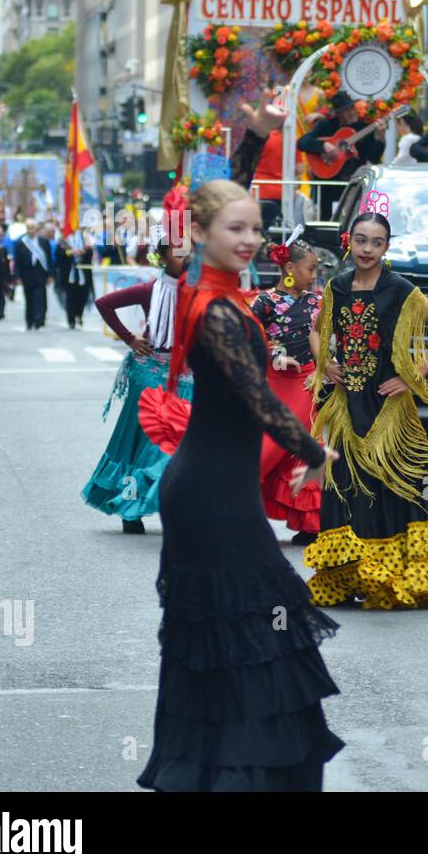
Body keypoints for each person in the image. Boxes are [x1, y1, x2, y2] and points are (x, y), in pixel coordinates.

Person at [136, 179, 343, 792]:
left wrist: (253, 139)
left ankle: (225, 771)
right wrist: (313, 450)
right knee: (256, 624)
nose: (252, 239)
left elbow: (247, 394)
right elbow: (256, 400)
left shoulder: (219, 294)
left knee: (238, 631)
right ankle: (239, 775)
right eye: (236, 228)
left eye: (257, 227)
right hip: (211, 495)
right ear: (199, 234)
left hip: (212, 486)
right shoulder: (216, 309)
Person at [302, 210, 428, 609]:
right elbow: (317, 331)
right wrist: (325, 363)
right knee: (348, 484)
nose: (367, 249)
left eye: (376, 242)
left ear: (387, 247)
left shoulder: (399, 288)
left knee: (408, 482)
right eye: (361, 240)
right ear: (349, 241)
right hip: (348, 407)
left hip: (389, 406)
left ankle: (401, 573)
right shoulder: (337, 287)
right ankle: (352, 574)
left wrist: (413, 377)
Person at [83, 190, 194, 534]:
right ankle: (131, 508)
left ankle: (174, 504)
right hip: (150, 373)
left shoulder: (200, 290)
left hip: (187, 376)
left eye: (188, 248)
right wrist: (130, 339)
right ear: (163, 256)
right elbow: (104, 303)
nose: (186, 255)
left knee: (180, 443)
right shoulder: (150, 290)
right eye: (178, 250)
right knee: (143, 441)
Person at [250, 239, 322, 544]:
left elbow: (325, 339)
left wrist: (321, 371)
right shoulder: (264, 302)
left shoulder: (318, 301)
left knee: (303, 452)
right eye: (311, 268)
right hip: (274, 383)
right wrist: (276, 356)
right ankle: (235, 510)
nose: (315, 275)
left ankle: (308, 524)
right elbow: (251, 340)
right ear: (290, 268)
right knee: (266, 450)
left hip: (306, 383)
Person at [296, 92, 383, 221]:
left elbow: (373, 157)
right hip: (328, 185)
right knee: (326, 222)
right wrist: (323, 145)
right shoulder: (326, 125)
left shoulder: (363, 128)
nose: (351, 113)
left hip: (353, 185)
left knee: (353, 221)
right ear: (338, 113)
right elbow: (302, 143)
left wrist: (381, 138)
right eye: (346, 110)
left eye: (351, 108)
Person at [56, 229, 94, 329]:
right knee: (70, 297)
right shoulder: (63, 239)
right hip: (69, 274)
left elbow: (90, 252)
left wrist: (83, 252)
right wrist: (71, 252)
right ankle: (71, 320)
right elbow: (59, 254)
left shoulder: (84, 238)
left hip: (83, 272)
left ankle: (79, 315)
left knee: (83, 296)